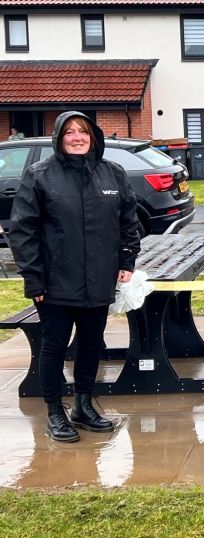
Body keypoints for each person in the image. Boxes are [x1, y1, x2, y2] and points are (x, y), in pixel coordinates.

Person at [9, 111, 140, 443]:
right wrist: (34, 278)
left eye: (83, 131)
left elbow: (129, 222)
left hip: (99, 280)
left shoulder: (112, 174)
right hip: (55, 283)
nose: (77, 137)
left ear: (93, 136)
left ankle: (83, 404)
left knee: (91, 344)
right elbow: (22, 230)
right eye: (70, 132)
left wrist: (127, 259)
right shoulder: (40, 176)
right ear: (59, 138)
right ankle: (55, 411)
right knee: (53, 347)